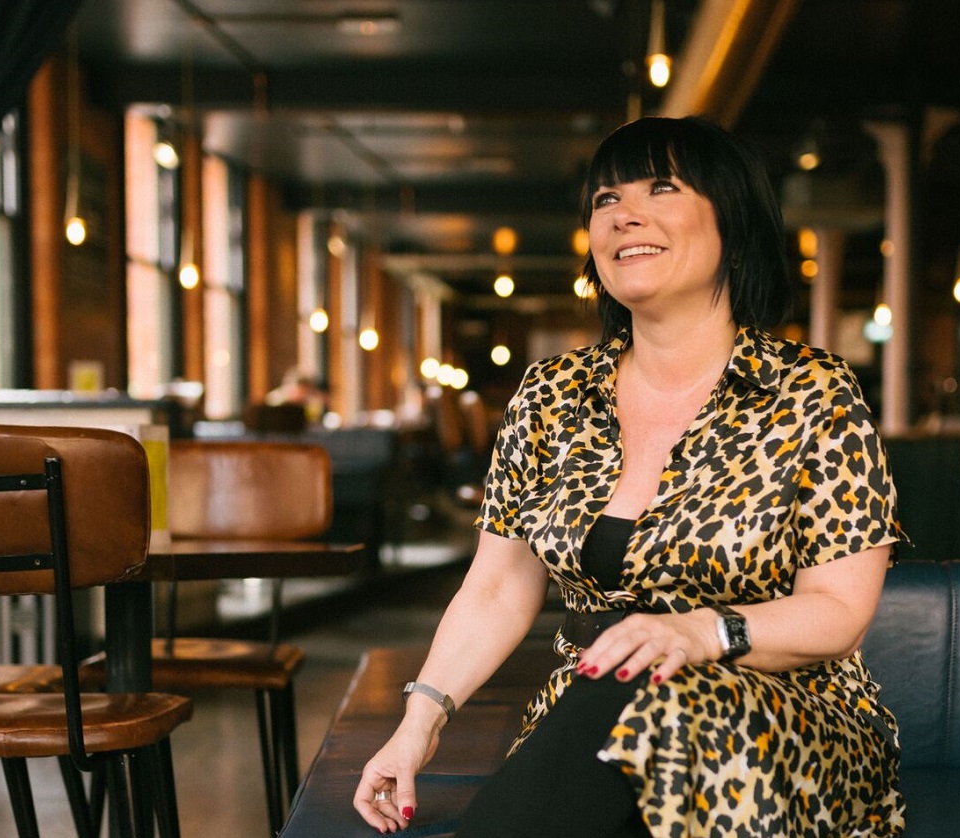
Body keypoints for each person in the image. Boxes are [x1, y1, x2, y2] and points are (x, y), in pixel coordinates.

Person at [354, 115, 906, 837]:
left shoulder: (812, 393)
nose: (623, 215)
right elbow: (496, 587)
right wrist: (419, 722)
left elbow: (839, 610)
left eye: (662, 188)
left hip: (788, 722)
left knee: (658, 691)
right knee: (631, 702)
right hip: (597, 713)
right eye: (605, 199)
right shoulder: (551, 394)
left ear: (733, 222)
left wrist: (697, 633)